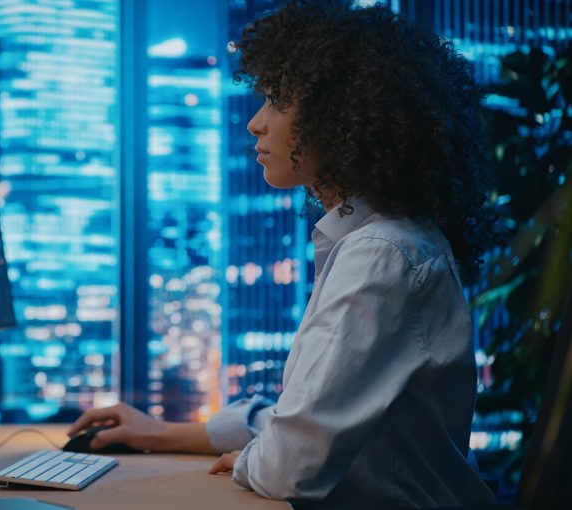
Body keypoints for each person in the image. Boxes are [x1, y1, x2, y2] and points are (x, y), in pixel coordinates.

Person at [68, 1, 499, 508]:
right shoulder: (382, 242)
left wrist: (256, 458)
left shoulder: (381, 256)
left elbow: (291, 465)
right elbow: (306, 416)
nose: (255, 123)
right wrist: (164, 434)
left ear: (341, 115)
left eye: (276, 99)